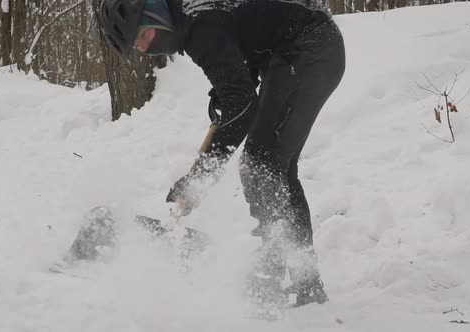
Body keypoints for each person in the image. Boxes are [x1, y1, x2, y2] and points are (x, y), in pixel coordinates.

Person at [97, 0, 345, 307]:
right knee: (273, 165)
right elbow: (246, 37)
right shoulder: (191, 18)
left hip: (310, 47)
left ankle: (275, 275)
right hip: (291, 50)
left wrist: (198, 179)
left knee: (262, 162)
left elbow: (242, 105)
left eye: (142, 36)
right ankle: (302, 282)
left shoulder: (200, 26)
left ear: (155, 16)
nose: (145, 48)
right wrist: (227, 90)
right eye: (137, 45)